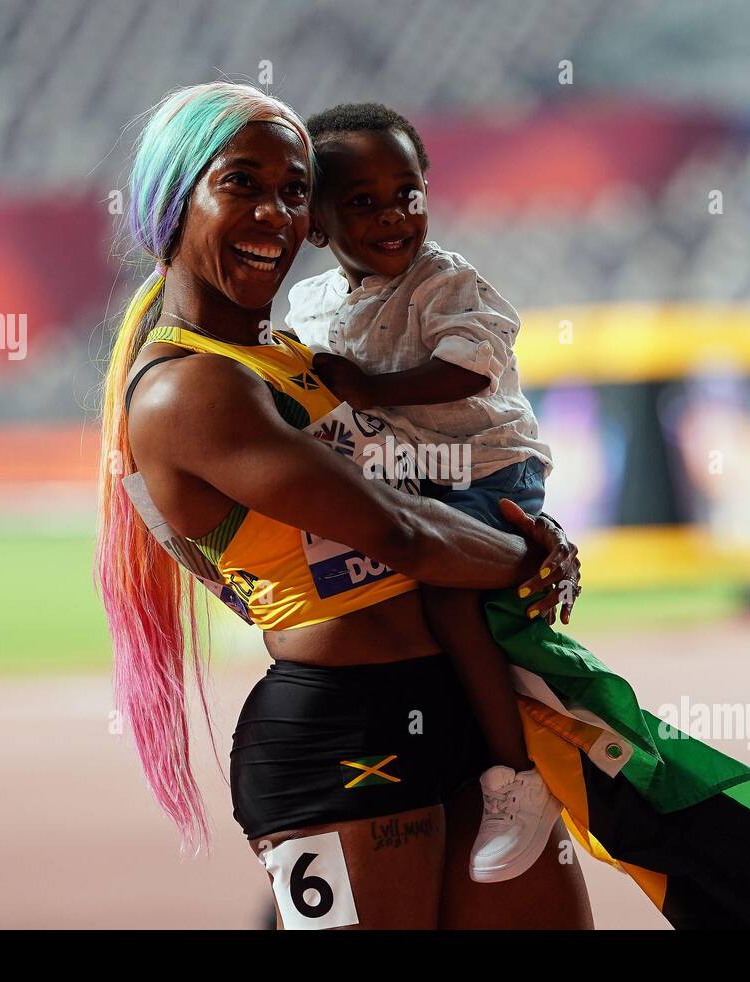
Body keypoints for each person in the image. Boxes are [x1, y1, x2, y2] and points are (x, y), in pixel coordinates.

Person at [95, 82, 592, 929]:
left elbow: (422, 489)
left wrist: (522, 526)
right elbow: (400, 532)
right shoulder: (187, 390)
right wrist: (530, 557)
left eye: (294, 190)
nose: (275, 214)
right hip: (342, 733)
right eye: (241, 184)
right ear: (173, 203)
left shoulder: (290, 353)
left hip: (461, 706)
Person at [285, 102, 565, 883]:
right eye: (361, 201)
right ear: (313, 223)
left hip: (484, 470)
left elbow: (469, 368)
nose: (393, 216)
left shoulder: (446, 281)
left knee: (445, 597)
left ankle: (519, 774)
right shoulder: (308, 305)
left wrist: (371, 385)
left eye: (407, 193)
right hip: (406, 481)